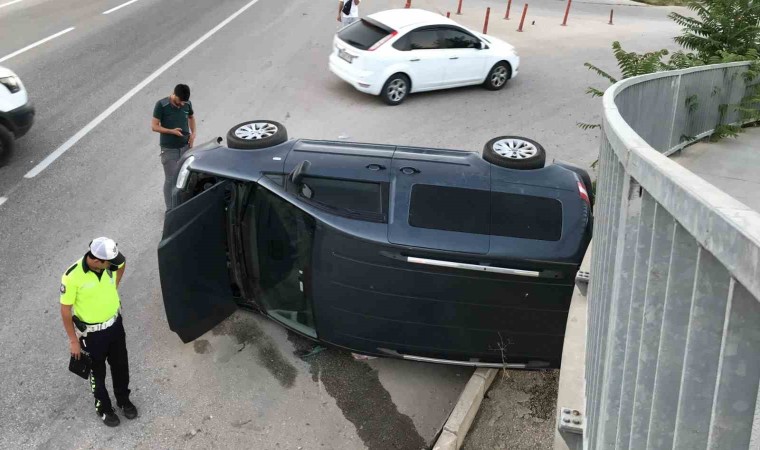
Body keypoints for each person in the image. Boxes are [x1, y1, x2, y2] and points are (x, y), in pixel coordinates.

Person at [60, 237, 137, 427]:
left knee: (121, 366)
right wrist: (73, 341)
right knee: (97, 373)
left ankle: (123, 400)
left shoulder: (109, 265)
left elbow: (122, 263)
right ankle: (103, 408)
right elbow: (65, 310)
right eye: (108, 262)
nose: (113, 264)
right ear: (96, 260)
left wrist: (114, 288)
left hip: (115, 325)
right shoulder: (72, 276)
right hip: (92, 336)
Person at [152, 84, 196, 209]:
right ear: (174, 94)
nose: (182, 104)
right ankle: (170, 209)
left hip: (185, 147)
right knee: (171, 179)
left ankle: (184, 203)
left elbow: (191, 118)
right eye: (180, 101)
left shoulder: (187, 104)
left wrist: (193, 134)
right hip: (169, 149)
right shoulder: (161, 105)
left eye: (184, 101)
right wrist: (172, 131)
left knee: (188, 177)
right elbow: (154, 126)